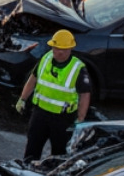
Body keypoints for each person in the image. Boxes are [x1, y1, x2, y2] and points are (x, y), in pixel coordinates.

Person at [16, 30, 92, 160]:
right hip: (40, 114)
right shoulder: (45, 59)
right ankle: (28, 174)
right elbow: (33, 79)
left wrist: (80, 118)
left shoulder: (78, 68)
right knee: (32, 150)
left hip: (62, 119)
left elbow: (85, 94)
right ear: (52, 47)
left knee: (59, 154)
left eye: (64, 49)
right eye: (57, 48)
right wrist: (22, 99)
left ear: (70, 49)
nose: (60, 52)